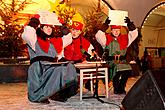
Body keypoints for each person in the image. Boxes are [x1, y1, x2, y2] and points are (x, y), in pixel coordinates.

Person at [21, 11, 78, 104]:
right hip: (39, 67)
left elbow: (68, 38)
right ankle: (40, 95)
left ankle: (58, 93)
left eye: (51, 27)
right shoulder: (34, 39)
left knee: (69, 67)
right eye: (46, 26)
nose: (49, 29)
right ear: (41, 28)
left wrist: (62, 25)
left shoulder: (54, 41)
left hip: (51, 66)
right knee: (57, 70)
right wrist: (35, 20)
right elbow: (27, 34)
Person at [95, 17, 138, 94]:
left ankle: (122, 87)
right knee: (117, 68)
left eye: (117, 30)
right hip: (111, 61)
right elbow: (98, 36)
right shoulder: (106, 38)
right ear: (111, 30)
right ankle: (116, 87)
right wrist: (105, 25)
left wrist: (130, 24)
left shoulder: (125, 38)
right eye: (114, 30)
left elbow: (134, 34)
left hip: (122, 61)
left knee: (127, 70)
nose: (116, 32)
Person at [63, 21, 96, 90]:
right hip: (66, 63)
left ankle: (83, 84)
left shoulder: (83, 41)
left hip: (79, 63)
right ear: (70, 30)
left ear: (80, 32)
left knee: (90, 70)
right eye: (73, 30)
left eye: (77, 30)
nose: (74, 32)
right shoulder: (65, 39)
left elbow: (91, 51)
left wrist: (87, 59)